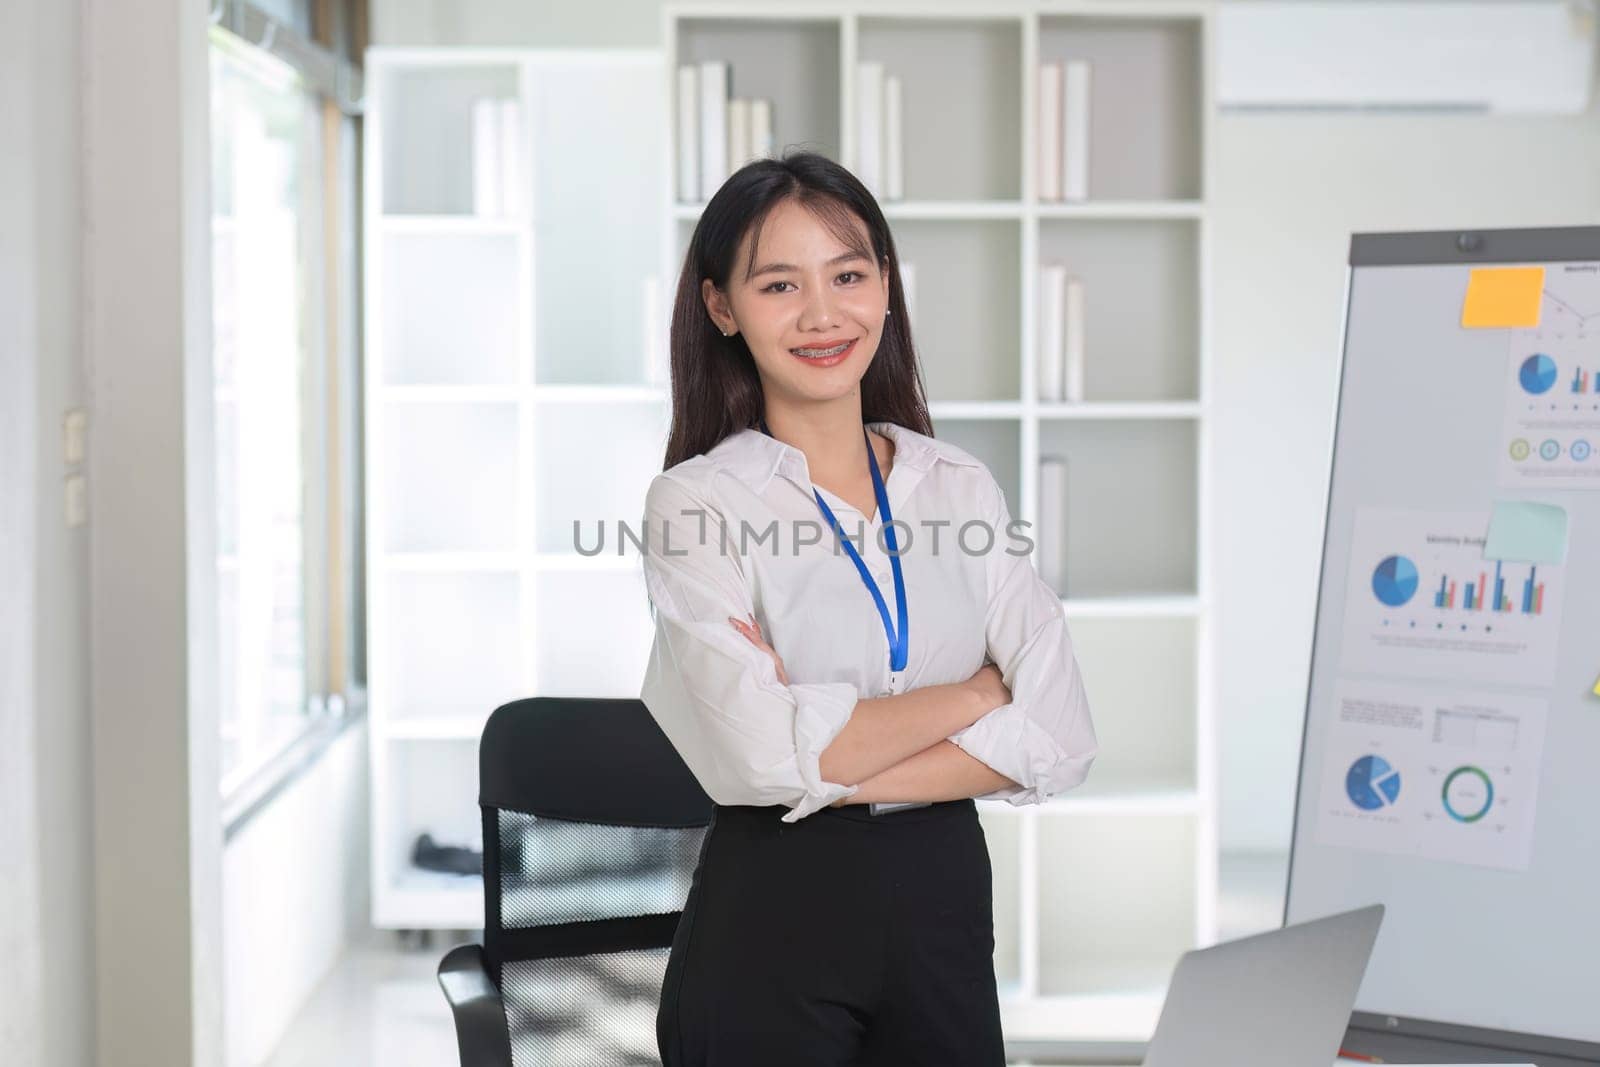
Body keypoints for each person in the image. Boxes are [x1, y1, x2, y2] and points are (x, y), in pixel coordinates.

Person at [639, 150, 1098, 1067]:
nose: (822, 314)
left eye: (848, 275)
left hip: (941, 909)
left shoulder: (958, 488)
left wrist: (819, 760)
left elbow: (1059, 738)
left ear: (886, 286)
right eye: (779, 284)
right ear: (722, 307)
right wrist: (975, 699)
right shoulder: (696, 505)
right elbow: (759, 756)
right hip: (775, 916)